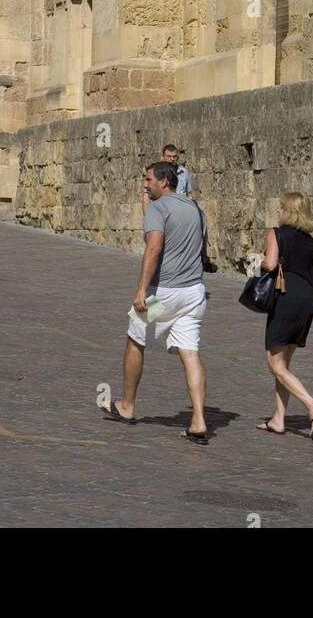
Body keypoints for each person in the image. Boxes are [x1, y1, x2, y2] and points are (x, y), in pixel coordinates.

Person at [102, 161, 209, 444]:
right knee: (190, 353)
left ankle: (127, 405)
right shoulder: (197, 209)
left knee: (135, 339)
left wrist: (141, 291)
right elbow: (203, 249)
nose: (145, 185)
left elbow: (154, 248)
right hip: (194, 293)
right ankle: (198, 419)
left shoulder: (158, 209)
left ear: (164, 182)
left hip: (164, 293)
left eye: (148, 180)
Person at [256, 191, 313, 441]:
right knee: (283, 364)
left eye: (281, 207)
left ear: (289, 211)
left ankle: (312, 405)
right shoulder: (310, 242)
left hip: (285, 298)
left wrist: (258, 259)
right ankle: (278, 419)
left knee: (274, 363)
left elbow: (270, 264)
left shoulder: (276, 234)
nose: (278, 211)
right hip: (306, 300)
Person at [142, 143, 194, 212]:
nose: (172, 159)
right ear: (163, 157)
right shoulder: (154, 172)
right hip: (162, 212)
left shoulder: (184, 172)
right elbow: (146, 196)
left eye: (174, 156)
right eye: (169, 156)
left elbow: (189, 195)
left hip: (181, 212)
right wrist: (147, 217)